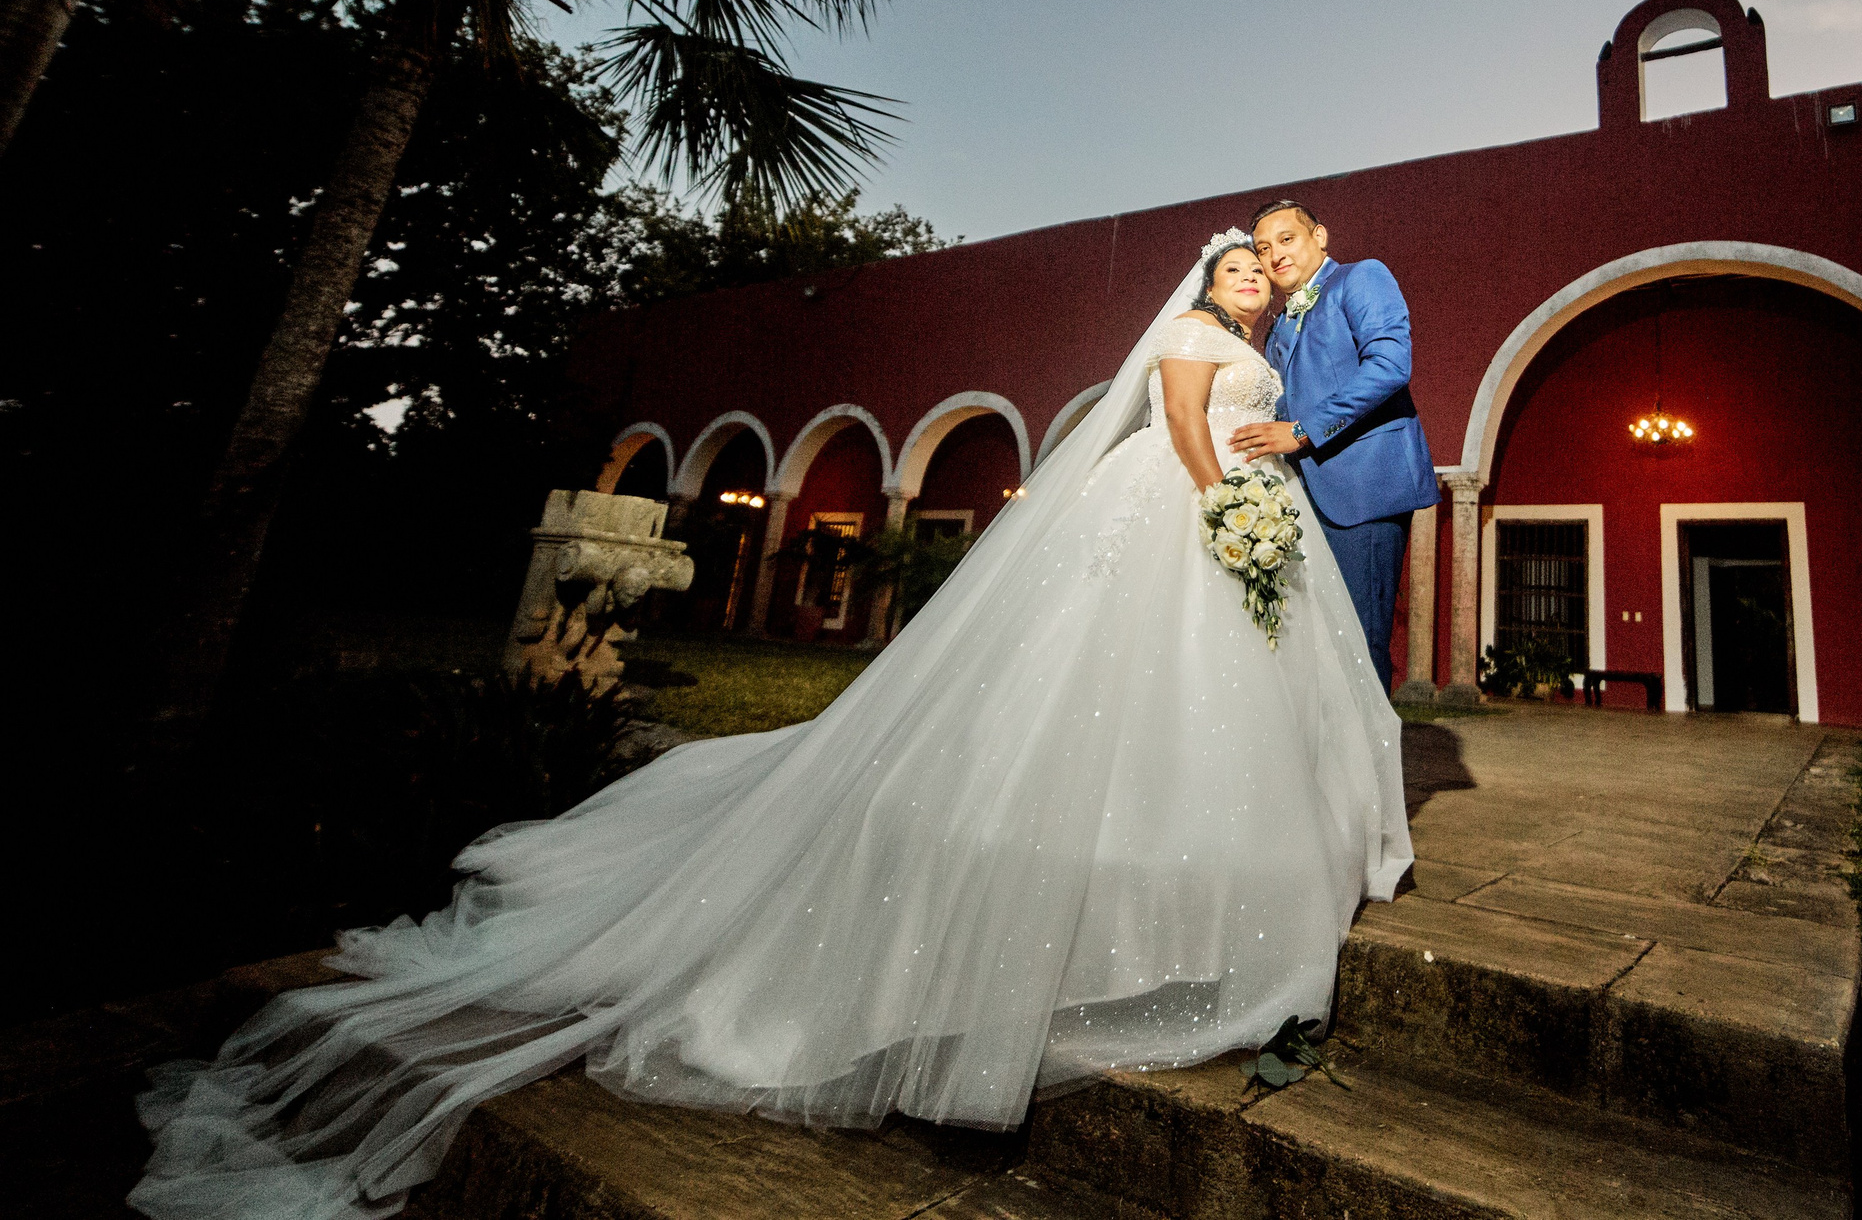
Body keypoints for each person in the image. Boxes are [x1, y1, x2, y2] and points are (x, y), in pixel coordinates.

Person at [132, 232, 1412, 1220]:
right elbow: (1188, 428)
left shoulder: (1280, 332)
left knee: (1205, 694)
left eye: (1262, 268)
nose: (1251, 281)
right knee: (1124, 685)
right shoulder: (1192, 332)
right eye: (1240, 263)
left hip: (1239, 516)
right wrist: (1221, 510)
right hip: (1193, 510)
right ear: (1212, 276)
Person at [1233, 201, 1441, 694]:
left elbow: (1390, 365)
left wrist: (1302, 431)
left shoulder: (1361, 278)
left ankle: (1369, 770)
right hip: (1299, 498)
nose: (1274, 255)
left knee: (1359, 643)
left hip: (1362, 489)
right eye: (1263, 248)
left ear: (1320, 237)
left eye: (1286, 239)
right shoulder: (1277, 327)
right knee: (1316, 644)